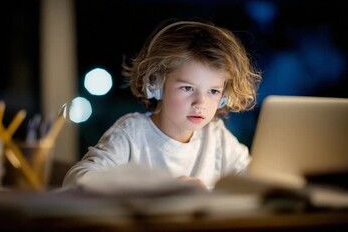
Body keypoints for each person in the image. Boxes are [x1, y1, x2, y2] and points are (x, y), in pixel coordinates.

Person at [62, 19, 262, 191]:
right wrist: (159, 191)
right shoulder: (132, 133)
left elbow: (257, 177)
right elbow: (76, 180)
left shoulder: (217, 137)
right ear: (155, 85)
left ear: (224, 96)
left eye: (213, 91)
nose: (200, 102)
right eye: (187, 88)